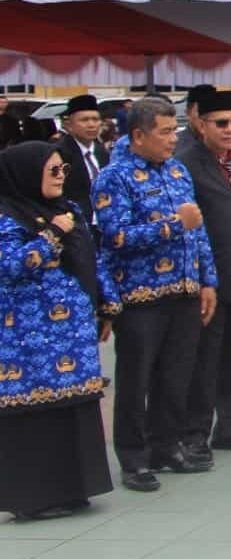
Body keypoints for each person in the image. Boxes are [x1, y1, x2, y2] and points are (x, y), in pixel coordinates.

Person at [95, 96, 216, 487]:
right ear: (138, 135)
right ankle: (134, 457)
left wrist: (208, 280)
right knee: (137, 379)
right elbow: (115, 237)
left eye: (173, 131)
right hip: (141, 297)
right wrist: (172, 225)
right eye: (164, 132)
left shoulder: (178, 171)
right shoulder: (114, 177)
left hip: (184, 290)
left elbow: (198, 232)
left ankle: (167, 445)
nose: (172, 139)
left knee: (176, 376)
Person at [0, 142, 114, 517]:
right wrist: (51, 235)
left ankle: (74, 488)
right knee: (38, 416)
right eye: (52, 170)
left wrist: (107, 304)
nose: (60, 176)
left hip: (73, 334)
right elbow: (11, 266)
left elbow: (90, 257)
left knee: (73, 409)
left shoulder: (68, 209)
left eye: (63, 169)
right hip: (28, 339)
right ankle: (35, 500)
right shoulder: (7, 216)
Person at [176, 88, 231, 459]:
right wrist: (201, 278)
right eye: (221, 123)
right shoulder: (184, 165)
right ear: (201, 125)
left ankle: (230, 427)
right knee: (205, 361)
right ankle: (195, 433)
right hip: (209, 281)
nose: (230, 130)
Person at [53, 94, 108, 218]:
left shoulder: (102, 152)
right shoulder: (59, 153)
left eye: (95, 119)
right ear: (69, 125)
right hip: (76, 218)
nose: (91, 125)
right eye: (84, 120)